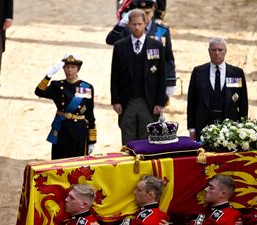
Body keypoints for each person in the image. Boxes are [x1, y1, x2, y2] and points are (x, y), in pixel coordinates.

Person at [110, 8, 167, 145]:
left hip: (148, 102)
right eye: (134, 24)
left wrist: (160, 102)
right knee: (128, 140)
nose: (136, 27)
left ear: (145, 23)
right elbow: (115, 75)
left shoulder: (157, 46)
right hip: (126, 101)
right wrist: (115, 100)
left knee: (147, 140)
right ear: (129, 24)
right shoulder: (120, 46)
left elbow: (161, 76)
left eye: (139, 24)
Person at [107, 0, 176, 103]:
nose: (144, 17)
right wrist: (121, 23)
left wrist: (170, 82)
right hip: (130, 85)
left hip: (153, 85)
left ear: (153, 10)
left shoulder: (162, 31)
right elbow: (110, 40)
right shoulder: (128, 29)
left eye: (147, 13)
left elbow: (168, 58)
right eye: (141, 13)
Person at [35, 53, 96, 160]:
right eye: (67, 67)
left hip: (79, 131)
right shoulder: (57, 86)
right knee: (59, 164)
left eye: (73, 67)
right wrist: (49, 75)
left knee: (77, 165)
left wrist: (92, 141)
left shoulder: (86, 87)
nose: (69, 70)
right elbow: (39, 92)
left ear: (78, 69)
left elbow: (90, 113)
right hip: (61, 128)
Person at [187, 37, 248, 141]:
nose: (217, 53)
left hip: (231, 127)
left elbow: (243, 103)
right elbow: (192, 102)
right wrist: (192, 129)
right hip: (203, 125)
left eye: (220, 50)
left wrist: (243, 127)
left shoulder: (237, 73)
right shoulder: (198, 72)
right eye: (213, 50)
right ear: (209, 51)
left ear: (225, 52)